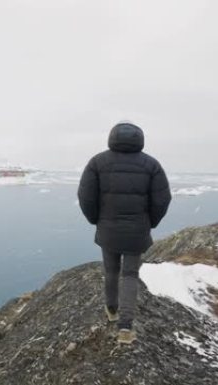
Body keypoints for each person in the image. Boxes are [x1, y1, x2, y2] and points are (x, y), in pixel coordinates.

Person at [77, 121, 172, 344]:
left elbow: (86, 197)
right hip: (137, 230)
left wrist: (95, 220)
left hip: (108, 228)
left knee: (111, 271)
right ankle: (126, 328)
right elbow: (162, 199)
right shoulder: (151, 165)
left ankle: (112, 311)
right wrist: (151, 223)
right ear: (140, 139)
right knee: (130, 275)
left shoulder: (97, 162)